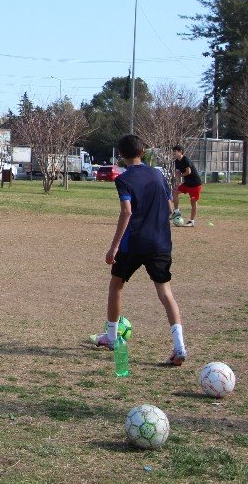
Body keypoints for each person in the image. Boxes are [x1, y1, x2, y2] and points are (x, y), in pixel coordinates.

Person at [90, 134, 187, 366]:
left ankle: (112, 337)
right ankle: (179, 346)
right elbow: (169, 204)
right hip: (160, 243)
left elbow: (127, 212)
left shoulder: (124, 179)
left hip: (133, 243)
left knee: (116, 285)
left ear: (121, 156)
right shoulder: (158, 174)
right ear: (143, 151)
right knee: (165, 294)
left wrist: (113, 248)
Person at [171, 145, 202, 226]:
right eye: (173, 151)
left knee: (193, 201)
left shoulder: (186, 160)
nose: (173, 153)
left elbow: (188, 171)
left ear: (180, 151)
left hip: (195, 184)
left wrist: (180, 176)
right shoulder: (176, 161)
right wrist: (177, 181)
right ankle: (177, 211)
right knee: (174, 192)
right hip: (187, 183)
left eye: (175, 151)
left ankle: (192, 221)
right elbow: (177, 172)